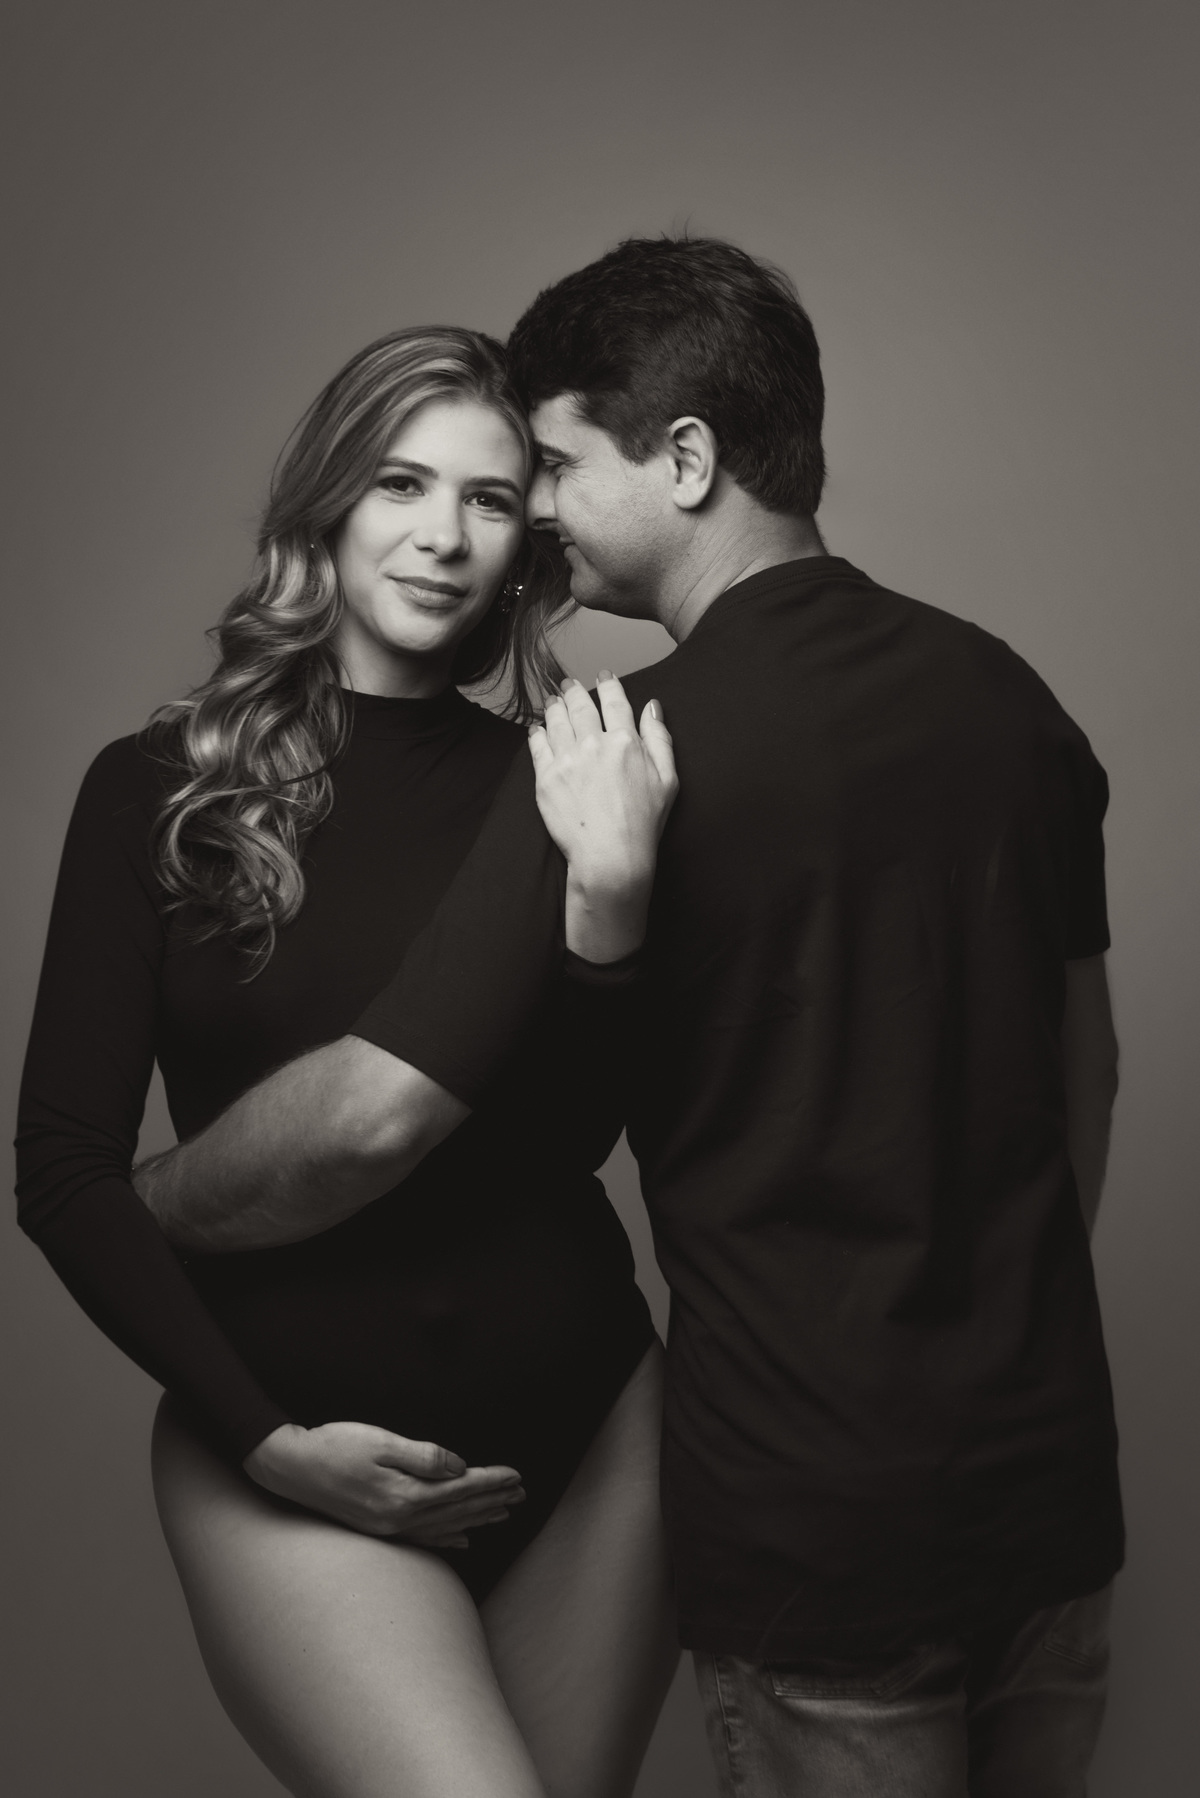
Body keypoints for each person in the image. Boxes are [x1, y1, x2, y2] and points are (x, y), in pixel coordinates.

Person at [130, 239, 1124, 1797]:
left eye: (554, 466)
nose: (531, 515)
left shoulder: (616, 752)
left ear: (688, 460)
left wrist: (143, 1203)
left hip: (816, 1530)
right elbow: (1090, 1082)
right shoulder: (1014, 701)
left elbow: (375, 1116)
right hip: (1051, 1506)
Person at [15, 326, 683, 1798]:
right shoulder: (158, 790)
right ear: (327, 499)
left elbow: (571, 1133)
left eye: (490, 499)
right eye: (401, 483)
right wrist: (262, 1441)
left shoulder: (560, 775)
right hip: (293, 1451)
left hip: (592, 1439)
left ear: (527, 542)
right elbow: (61, 1170)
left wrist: (615, 910)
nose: (443, 536)